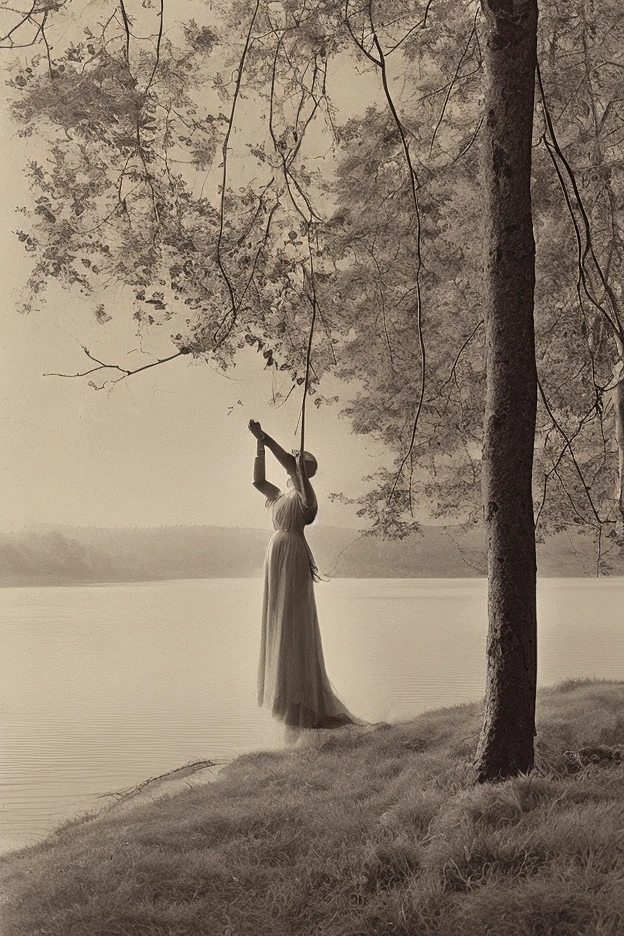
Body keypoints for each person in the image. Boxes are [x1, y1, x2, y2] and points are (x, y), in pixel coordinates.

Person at [248, 419, 358, 739]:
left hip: (292, 555)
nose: (297, 466)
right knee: (279, 619)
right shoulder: (279, 496)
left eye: (301, 465)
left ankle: (302, 699)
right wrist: (259, 443)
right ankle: (287, 698)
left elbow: (298, 480)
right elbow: (257, 481)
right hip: (277, 555)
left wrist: (271, 442)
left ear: (305, 472)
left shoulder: (304, 495)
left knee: (293, 621)